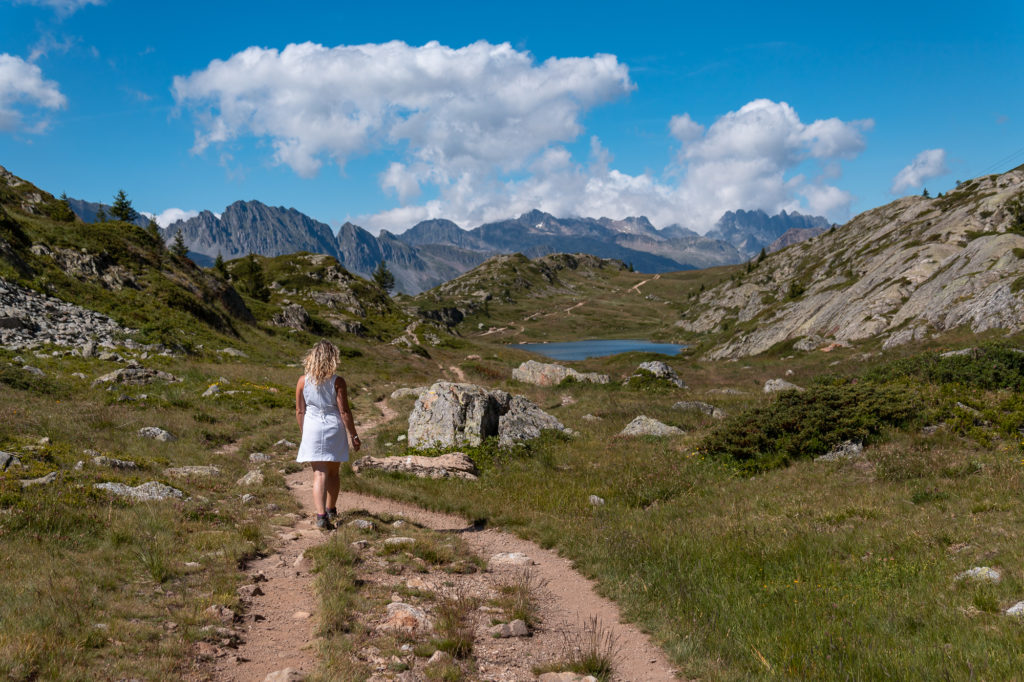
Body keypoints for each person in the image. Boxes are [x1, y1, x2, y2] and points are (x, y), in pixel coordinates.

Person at [295, 339, 360, 530]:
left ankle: (321, 515)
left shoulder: (302, 381)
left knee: (319, 473)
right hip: (333, 427)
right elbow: (344, 412)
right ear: (332, 359)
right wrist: (354, 435)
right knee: (333, 472)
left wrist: (304, 433)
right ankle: (331, 508)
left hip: (312, 427)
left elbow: (300, 411)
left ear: (312, 358)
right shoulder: (337, 381)